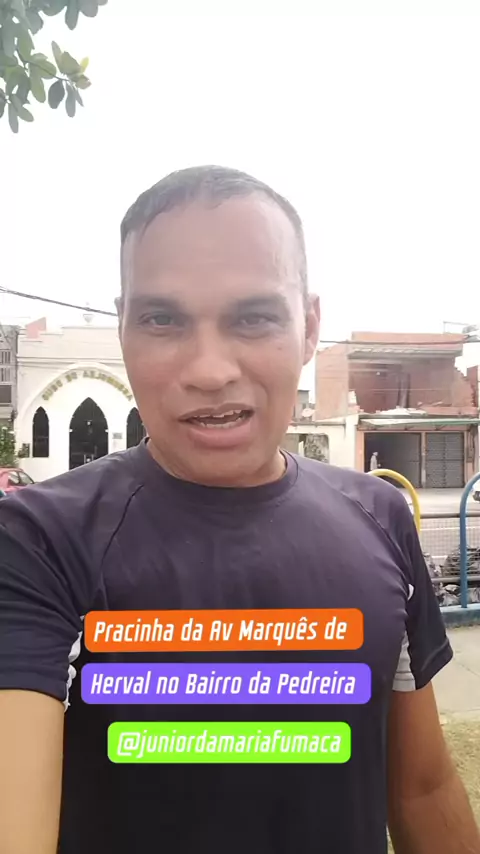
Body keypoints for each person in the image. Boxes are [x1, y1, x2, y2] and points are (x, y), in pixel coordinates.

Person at [0, 165, 478, 854]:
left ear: (309, 328)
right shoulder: (38, 542)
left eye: (253, 318)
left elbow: (424, 791)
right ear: (124, 328)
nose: (209, 369)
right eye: (163, 320)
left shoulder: (380, 516)